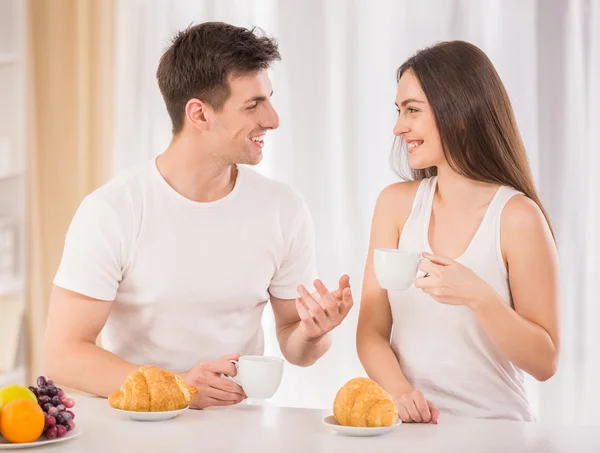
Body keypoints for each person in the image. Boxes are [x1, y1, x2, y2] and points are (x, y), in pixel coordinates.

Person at [43, 22, 353, 409]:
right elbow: (63, 355)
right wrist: (181, 387)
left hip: (241, 427)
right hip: (142, 426)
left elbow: (297, 347)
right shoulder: (112, 211)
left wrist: (313, 333)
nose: (273, 119)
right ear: (199, 114)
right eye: (253, 104)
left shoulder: (283, 209)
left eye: (269, 99)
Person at [356, 40, 559, 423]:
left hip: (497, 433)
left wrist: (479, 297)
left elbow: (545, 361)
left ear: (460, 112)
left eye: (412, 110)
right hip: (412, 431)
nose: (399, 127)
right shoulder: (395, 206)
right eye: (399, 111)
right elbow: (370, 331)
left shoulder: (517, 218)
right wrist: (400, 392)